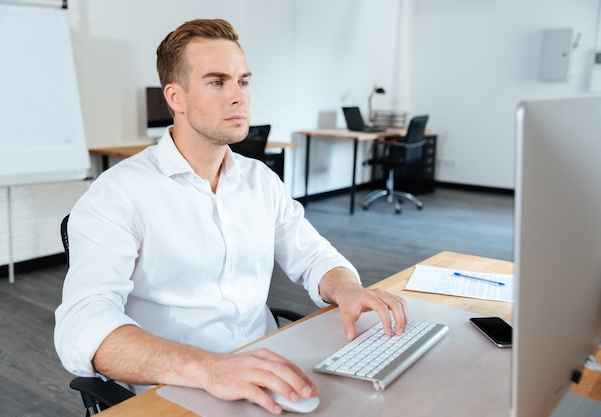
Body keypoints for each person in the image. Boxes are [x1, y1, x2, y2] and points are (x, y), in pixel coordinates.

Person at [54, 18, 408, 415]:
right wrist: (210, 369)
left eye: (243, 81)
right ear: (176, 97)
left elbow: (314, 256)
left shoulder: (260, 180)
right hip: (176, 388)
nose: (238, 97)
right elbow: (80, 326)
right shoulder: (117, 194)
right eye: (217, 82)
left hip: (266, 368)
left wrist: (347, 288)